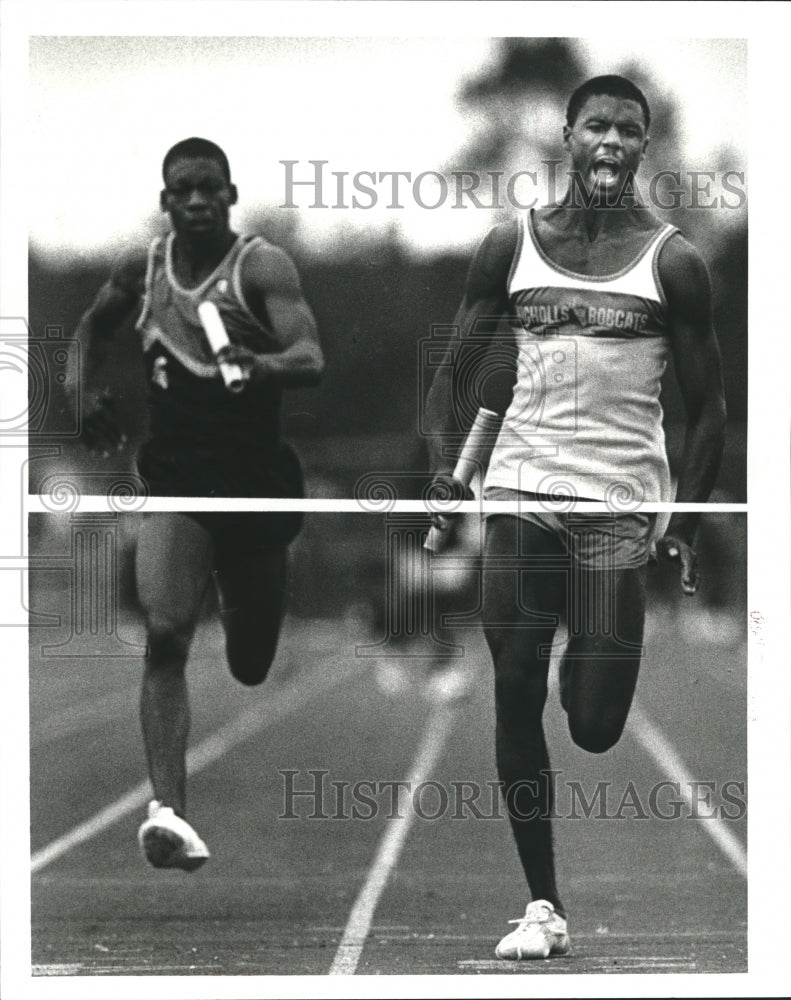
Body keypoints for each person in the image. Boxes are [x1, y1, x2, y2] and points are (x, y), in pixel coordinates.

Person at [424, 76, 726, 958]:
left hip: (618, 507)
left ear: (642, 146)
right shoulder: (508, 246)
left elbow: (707, 409)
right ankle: (543, 907)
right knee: (512, 683)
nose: (611, 143)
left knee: (591, 723)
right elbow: (452, 368)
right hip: (520, 492)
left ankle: (580, 656)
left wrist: (688, 521)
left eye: (628, 131)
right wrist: (444, 466)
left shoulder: (673, 262)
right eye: (596, 125)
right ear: (566, 135)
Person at [65, 137, 324, 869]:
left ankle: (245, 594)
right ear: (166, 201)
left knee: (249, 660)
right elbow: (91, 327)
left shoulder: (261, 267)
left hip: (255, 488)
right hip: (175, 484)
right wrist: (79, 389)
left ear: (230, 195)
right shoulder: (141, 271)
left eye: (211, 187)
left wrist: (257, 361)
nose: (199, 199)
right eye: (184, 189)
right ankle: (168, 812)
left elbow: (310, 357)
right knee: (167, 633)